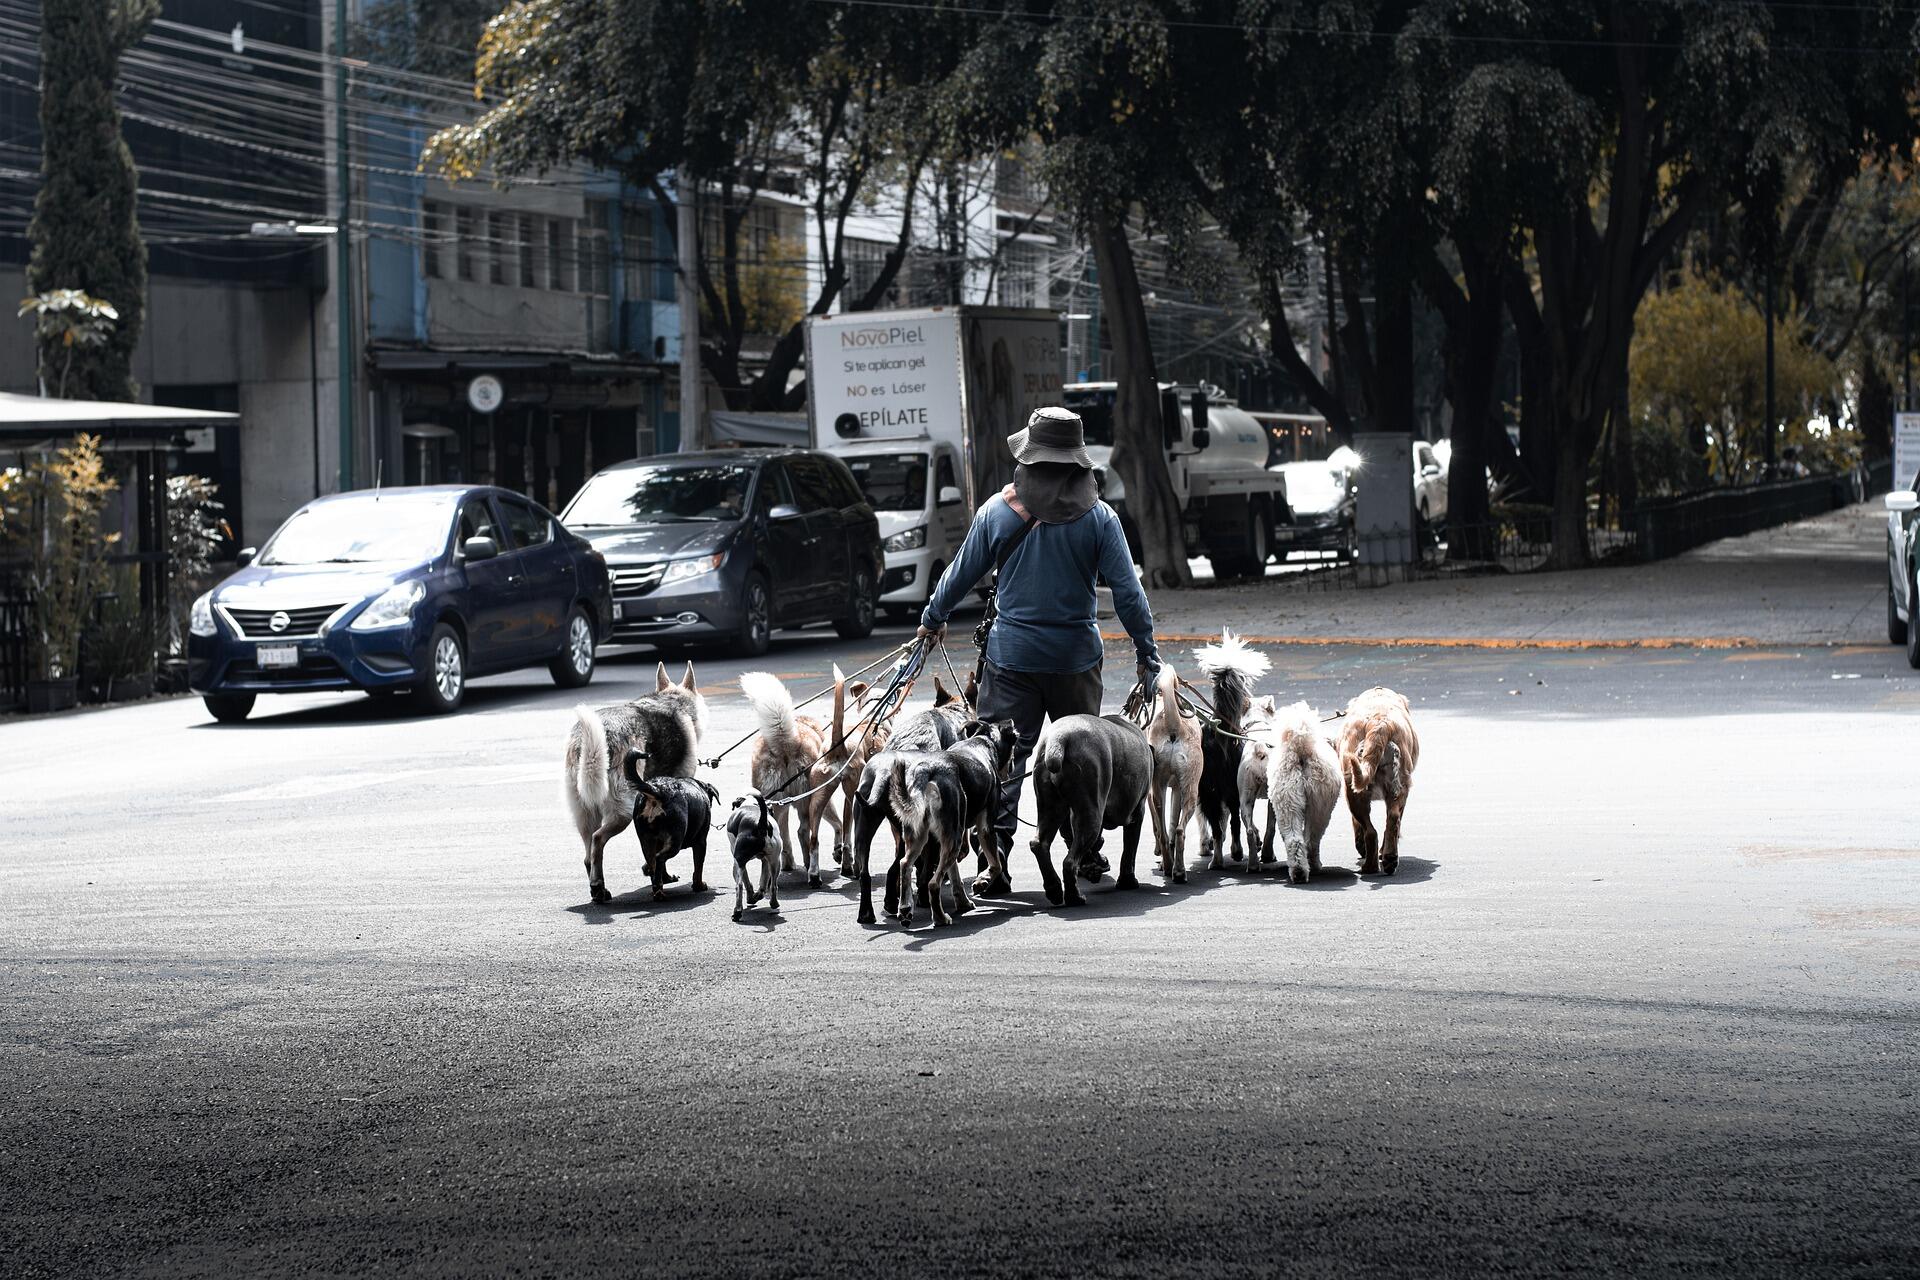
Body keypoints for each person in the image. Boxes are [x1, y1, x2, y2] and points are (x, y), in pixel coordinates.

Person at [915, 406, 1160, 889]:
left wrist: (932, 619)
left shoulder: (996, 513)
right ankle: (1083, 853)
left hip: (1011, 661)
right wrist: (1146, 652)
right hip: (1076, 663)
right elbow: (1129, 594)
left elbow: (959, 574)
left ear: (1029, 460)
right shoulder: (1101, 519)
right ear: (1077, 463)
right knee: (1080, 763)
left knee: (1002, 763)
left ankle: (994, 862)